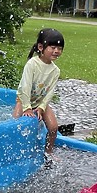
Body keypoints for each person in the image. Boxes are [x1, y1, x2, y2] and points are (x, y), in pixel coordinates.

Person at [12, 28, 65, 156]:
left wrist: (41, 107)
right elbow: (25, 87)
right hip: (24, 100)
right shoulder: (32, 64)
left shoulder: (55, 71)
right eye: (52, 47)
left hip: (40, 102)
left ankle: (48, 152)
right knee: (15, 126)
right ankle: (14, 150)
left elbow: (50, 92)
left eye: (59, 48)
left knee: (53, 128)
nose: (57, 51)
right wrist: (27, 108)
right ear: (41, 47)